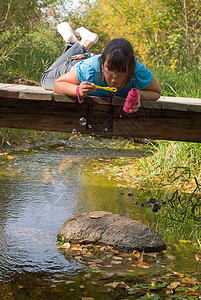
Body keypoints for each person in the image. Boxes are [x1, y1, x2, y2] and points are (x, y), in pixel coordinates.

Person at [41, 22, 161, 112]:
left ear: (131, 68)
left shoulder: (139, 71)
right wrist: (77, 90)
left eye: (122, 71)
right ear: (102, 64)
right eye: (110, 69)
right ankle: (78, 44)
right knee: (45, 79)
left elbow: (156, 92)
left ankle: (79, 42)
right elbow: (58, 85)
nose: (115, 77)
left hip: (92, 61)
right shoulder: (90, 70)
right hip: (73, 66)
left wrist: (140, 95)